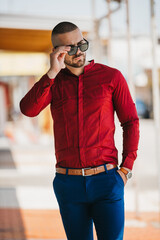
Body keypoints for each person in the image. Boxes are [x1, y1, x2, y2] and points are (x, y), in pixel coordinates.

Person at [20, 21, 140, 240]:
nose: (79, 52)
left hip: (107, 181)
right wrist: (51, 73)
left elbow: (130, 122)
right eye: (70, 48)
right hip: (69, 183)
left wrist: (126, 169)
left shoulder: (111, 77)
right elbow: (28, 109)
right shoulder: (53, 83)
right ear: (57, 52)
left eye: (81, 44)